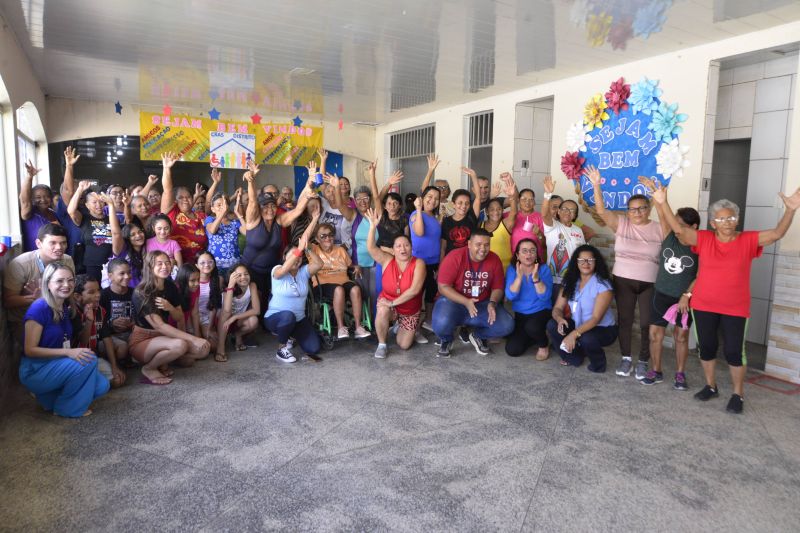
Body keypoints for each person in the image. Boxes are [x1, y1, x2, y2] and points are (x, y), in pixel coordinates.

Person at [651, 183, 800, 413]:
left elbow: (777, 234)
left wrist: (790, 209)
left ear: (737, 220)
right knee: (707, 348)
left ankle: (738, 394)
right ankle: (711, 386)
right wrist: (662, 202)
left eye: (730, 218)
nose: (726, 222)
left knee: (733, 352)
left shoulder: (748, 240)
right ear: (712, 223)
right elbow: (679, 230)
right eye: (720, 219)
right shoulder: (704, 239)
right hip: (703, 306)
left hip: (735, 308)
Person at [584, 165, 663, 379]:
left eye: (642, 208)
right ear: (627, 211)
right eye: (633, 209)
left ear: (649, 208)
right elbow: (601, 211)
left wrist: (661, 197)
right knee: (626, 320)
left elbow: (671, 222)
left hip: (649, 281)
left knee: (646, 322)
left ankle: (643, 360)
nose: (637, 212)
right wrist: (596, 185)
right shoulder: (621, 224)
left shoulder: (659, 227)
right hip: (623, 280)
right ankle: (626, 358)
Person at [20, 263, 109, 417]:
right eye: (59, 281)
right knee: (89, 359)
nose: (66, 285)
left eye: (70, 280)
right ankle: (68, 409)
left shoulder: (65, 307)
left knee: (102, 385)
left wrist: (89, 321)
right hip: (35, 369)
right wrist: (68, 352)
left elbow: (80, 340)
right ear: (48, 283)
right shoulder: (39, 308)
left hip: (56, 365)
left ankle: (49, 397)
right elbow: (30, 350)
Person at [130, 251, 211, 384]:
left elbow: (179, 317)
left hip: (164, 338)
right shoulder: (142, 291)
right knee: (180, 345)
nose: (165, 266)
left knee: (203, 350)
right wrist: (194, 338)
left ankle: (164, 361)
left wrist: (170, 308)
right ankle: (149, 368)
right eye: (159, 263)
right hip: (142, 340)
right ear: (150, 267)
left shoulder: (170, 286)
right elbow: (159, 326)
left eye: (167, 263)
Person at [432, 229, 514, 357]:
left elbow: (498, 287)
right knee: (440, 323)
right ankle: (447, 340)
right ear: (469, 244)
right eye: (478, 244)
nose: (483, 249)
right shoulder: (455, 257)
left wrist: (492, 303)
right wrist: (466, 301)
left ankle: (478, 336)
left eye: (487, 245)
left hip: (482, 304)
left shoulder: (494, 259)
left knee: (506, 325)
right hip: (455, 303)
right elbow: (443, 287)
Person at [242, 162, 313, 307]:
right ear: (260, 208)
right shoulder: (253, 220)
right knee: (253, 305)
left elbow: (299, 209)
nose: (270, 209)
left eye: (273, 205)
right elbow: (253, 201)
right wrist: (251, 180)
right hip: (251, 270)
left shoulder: (279, 220)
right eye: (266, 206)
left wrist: (310, 182)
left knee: (269, 305)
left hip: (272, 271)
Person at [365, 208, 426, 358]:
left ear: (411, 248)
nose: (402, 249)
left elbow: (414, 290)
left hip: (409, 309)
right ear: (393, 249)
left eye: (406, 245)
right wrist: (372, 227)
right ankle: (382, 344)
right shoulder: (387, 260)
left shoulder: (419, 263)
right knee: (382, 309)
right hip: (388, 304)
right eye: (398, 246)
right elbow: (371, 248)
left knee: (404, 345)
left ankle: (406, 326)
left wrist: (392, 303)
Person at [547, 245, 618, 372]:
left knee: (586, 338)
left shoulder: (603, 285)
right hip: (579, 324)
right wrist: (559, 319)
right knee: (552, 325)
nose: (586, 263)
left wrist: (573, 334)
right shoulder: (571, 281)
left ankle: (598, 364)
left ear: (596, 262)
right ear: (576, 262)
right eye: (581, 260)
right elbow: (557, 307)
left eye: (590, 260)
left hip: (603, 329)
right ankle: (573, 356)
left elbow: (596, 318)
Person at [264, 213, 323, 362]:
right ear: (285, 258)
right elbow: (284, 270)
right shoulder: (277, 270)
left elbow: (318, 265)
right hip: (275, 318)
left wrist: (307, 248)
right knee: (288, 316)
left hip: (299, 319)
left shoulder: (303, 272)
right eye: (292, 257)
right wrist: (297, 251)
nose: (296, 259)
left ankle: (290, 334)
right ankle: (281, 349)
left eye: (298, 257)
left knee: (313, 348)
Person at [4, 223, 74, 340]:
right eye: (53, 243)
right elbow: (8, 301)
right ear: (38, 243)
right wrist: (36, 298)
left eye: (63, 243)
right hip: (25, 320)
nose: (59, 247)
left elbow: (69, 290)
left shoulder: (67, 260)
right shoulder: (21, 264)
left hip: (56, 317)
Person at [309, 222, 370, 340]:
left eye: (330, 235)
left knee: (356, 289)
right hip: (322, 285)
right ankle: (341, 327)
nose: (328, 238)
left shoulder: (340, 250)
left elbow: (350, 265)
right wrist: (314, 219)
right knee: (339, 289)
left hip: (343, 280)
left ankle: (358, 327)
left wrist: (356, 267)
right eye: (323, 236)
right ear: (317, 238)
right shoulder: (314, 250)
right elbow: (304, 242)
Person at [72, 274, 126, 388]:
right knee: (92, 383)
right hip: (75, 360)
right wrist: (89, 321)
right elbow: (82, 340)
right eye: (91, 292)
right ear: (77, 296)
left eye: (98, 290)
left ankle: (94, 380)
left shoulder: (100, 310)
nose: (97, 295)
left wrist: (114, 366)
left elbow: (106, 338)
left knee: (118, 380)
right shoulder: (72, 313)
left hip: (92, 356)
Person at [505, 239, 554, 359]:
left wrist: (536, 279)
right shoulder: (512, 269)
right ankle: (536, 336)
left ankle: (543, 344)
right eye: (525, 251)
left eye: (532, 251)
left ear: (537, 254)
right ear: (517, 254)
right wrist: (519, 277)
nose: (529, 255)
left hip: (541, 311)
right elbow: (511, 296)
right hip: (521, 314)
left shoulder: (544, 269)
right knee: (513, 350)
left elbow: (545, 297)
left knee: (532, 327)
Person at [541, 176, 586, 302]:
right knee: (553, 310)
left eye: (572, 210)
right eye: (565, 209)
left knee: (570, 311)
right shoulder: (553, 226)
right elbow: (544, 214)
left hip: (573, 279)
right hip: (554, 280)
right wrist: (547, 194)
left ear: (575, 215)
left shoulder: (578, 230)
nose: (568, 212)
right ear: (558, 212)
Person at [160, 152, 208, 264]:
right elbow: (168, 190)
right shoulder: (172, 212)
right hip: (176, 265)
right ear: (174, 200)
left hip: (199, 265)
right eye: (181, 197)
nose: (185, 200)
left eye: (188, 197)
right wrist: (166, 169)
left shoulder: (201, 216)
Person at [409, 186, 442, 335]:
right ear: (422, 197)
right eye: (429, 196)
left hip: (433, 263)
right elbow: (420, 232)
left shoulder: (435, 218)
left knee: (431, 294)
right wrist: (418, 208)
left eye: (436, 198)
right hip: (419, 263)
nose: (433, 200)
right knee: (417, 295)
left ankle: (428, 321)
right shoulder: (416, 215)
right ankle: (412, 328)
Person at [67, 182, 114, 280]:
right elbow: (71, 211)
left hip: (112, 264)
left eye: (101, 201)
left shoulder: (111, 218)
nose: (99, 205)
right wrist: (80, 189)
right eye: (94, 202)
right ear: (87, 205)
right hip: (92, 265)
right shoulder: (84, 218)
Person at [216, 264, 260, 362]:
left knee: (254, 320)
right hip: (222, 322)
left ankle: (238, 335)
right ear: (232, 277)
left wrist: (235, 317)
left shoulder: (252, 286)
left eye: (246, 274)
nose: (243, 277)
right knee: (225, 314)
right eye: (239, 275)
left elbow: (256, 310)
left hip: (236, 320)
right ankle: (220, 348)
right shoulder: (227, 288)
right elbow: (226, 311)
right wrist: (231, 285)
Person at [205, 175, 244, 277]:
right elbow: (212, 230)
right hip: (215, 266)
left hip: (234, 266)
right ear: (212, 209)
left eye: (225, 204)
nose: (223, 207)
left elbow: (248, 233)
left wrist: (239, 215)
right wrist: (222, 213)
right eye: (219, 205)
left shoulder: (234, 222)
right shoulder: (210, 220)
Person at [440, 167, 482, 258]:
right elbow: (443, 246)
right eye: (460, 203)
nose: (463, 206)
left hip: (468, 260)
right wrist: (441, 265)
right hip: (451, 260)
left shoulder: (472, 217)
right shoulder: (446, 221)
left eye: (467, 203)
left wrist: (473, 176)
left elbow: (478, 196)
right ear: (453, 204)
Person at [19, 161, 61, 252]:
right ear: (32, 199)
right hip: (35, 258)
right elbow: (24, 199)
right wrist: (30, 177)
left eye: (47, 196)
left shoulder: (54, 213)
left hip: (54, 257)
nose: (43, 200)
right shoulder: (30, 213)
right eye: (38, 197)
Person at [99, 258, 134, 365]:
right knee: (123, 348)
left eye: (129, 272)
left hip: (131, 333)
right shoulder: (103, 295)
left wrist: (133, 323)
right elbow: (98, 322)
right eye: (122, 273)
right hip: (109, 336)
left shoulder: (135, 293)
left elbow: (141, 316)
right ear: (110, 276)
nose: (127, 276)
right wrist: (112, 323)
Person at [481, 173, 518, 269]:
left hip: (504, 269)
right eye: (492, 209)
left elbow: (513, 212)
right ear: (487, 212)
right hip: (485, 270)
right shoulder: (480, 225)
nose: (495, 212)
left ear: (502, 210)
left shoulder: (506, 224)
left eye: (498, 209)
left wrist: (512, 196)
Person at [510, 188, 546, 266]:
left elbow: (545, 245)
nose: (527, 202)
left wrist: (539, 234)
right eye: (524, 199)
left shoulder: (541, 218)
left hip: (535, 262)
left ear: (534, 202)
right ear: (518, 200)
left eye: (531, 199)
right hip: (515, 261)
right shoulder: (511, 216)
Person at [195, 251, 223, 353]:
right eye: (202, 263)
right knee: (198, 346)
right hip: (192, 316)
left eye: (210, 262)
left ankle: (206, 332)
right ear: (196, 265)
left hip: (207, 316)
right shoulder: (193, 280)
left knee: (214, 346)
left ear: (214, 263)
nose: (207, 265)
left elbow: (214, 305)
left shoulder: (218, 280)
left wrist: (209, 329)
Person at [109, 223, 146, 288]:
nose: (138, 235)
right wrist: (112, 211)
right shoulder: (122, 251)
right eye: (133, 234)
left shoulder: (147, 249)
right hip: (126, 291)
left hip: (143, 290)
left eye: (140, 232)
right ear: (127, 238)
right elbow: (116, 234)